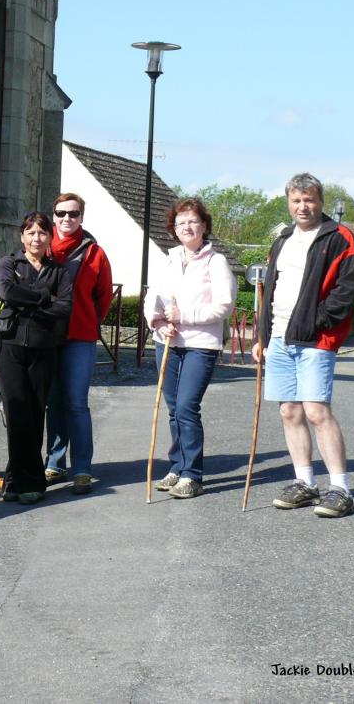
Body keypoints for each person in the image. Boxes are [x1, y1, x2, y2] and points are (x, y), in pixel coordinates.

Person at [254, 173, 354, 517]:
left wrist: (316, 322)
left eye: (309, 200)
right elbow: (269, 291)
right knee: (289, 411)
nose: (303, 207)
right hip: (279, 339)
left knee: (316, 412)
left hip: (317, 339)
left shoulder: (340, 238)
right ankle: (305, 483)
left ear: (321, 202)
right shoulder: (283, 238)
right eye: (296, 200)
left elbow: (346, 292)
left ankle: (340, 489)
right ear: (288, 202)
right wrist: (261, 336)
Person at [144, 199, 237, 499]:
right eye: (181, 222)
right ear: (174, 228)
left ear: (204, 226)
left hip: (201, 345)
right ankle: (177, 466)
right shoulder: (167, 260)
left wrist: (184, 316)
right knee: (174, 408)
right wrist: (156, 324)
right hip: (167, 342)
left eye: (193, 221)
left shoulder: (216, 262)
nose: (187, 226)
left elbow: (224, 306)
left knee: (186, 406)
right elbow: (151, 299)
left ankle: (192, 474)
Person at [0, 211, 72, 504]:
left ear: (49, 237)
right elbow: (7, 292)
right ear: (22, 236)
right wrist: (43, 298)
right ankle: (24, 479)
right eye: (30, 233)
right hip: (10, 346)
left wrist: (28, 301)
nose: (36, 238)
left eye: (41, 233)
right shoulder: (9, 263)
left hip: (43, 348)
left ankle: (24, 480)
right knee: (16, 414)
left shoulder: (60, 271)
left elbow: (65, 307)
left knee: (37, 412)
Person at [43, 193, 113, 495]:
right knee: (52, 402)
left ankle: (82, 468)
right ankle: (55, 463)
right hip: (46, 336)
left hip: (79, 338)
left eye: (73, 214)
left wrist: (87, 321)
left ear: (82, 217)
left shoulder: (95, 253)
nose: (66, 219)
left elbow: (104, 296)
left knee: (76, 403)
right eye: (61, 213)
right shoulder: (42, 247)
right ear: (53, 215)